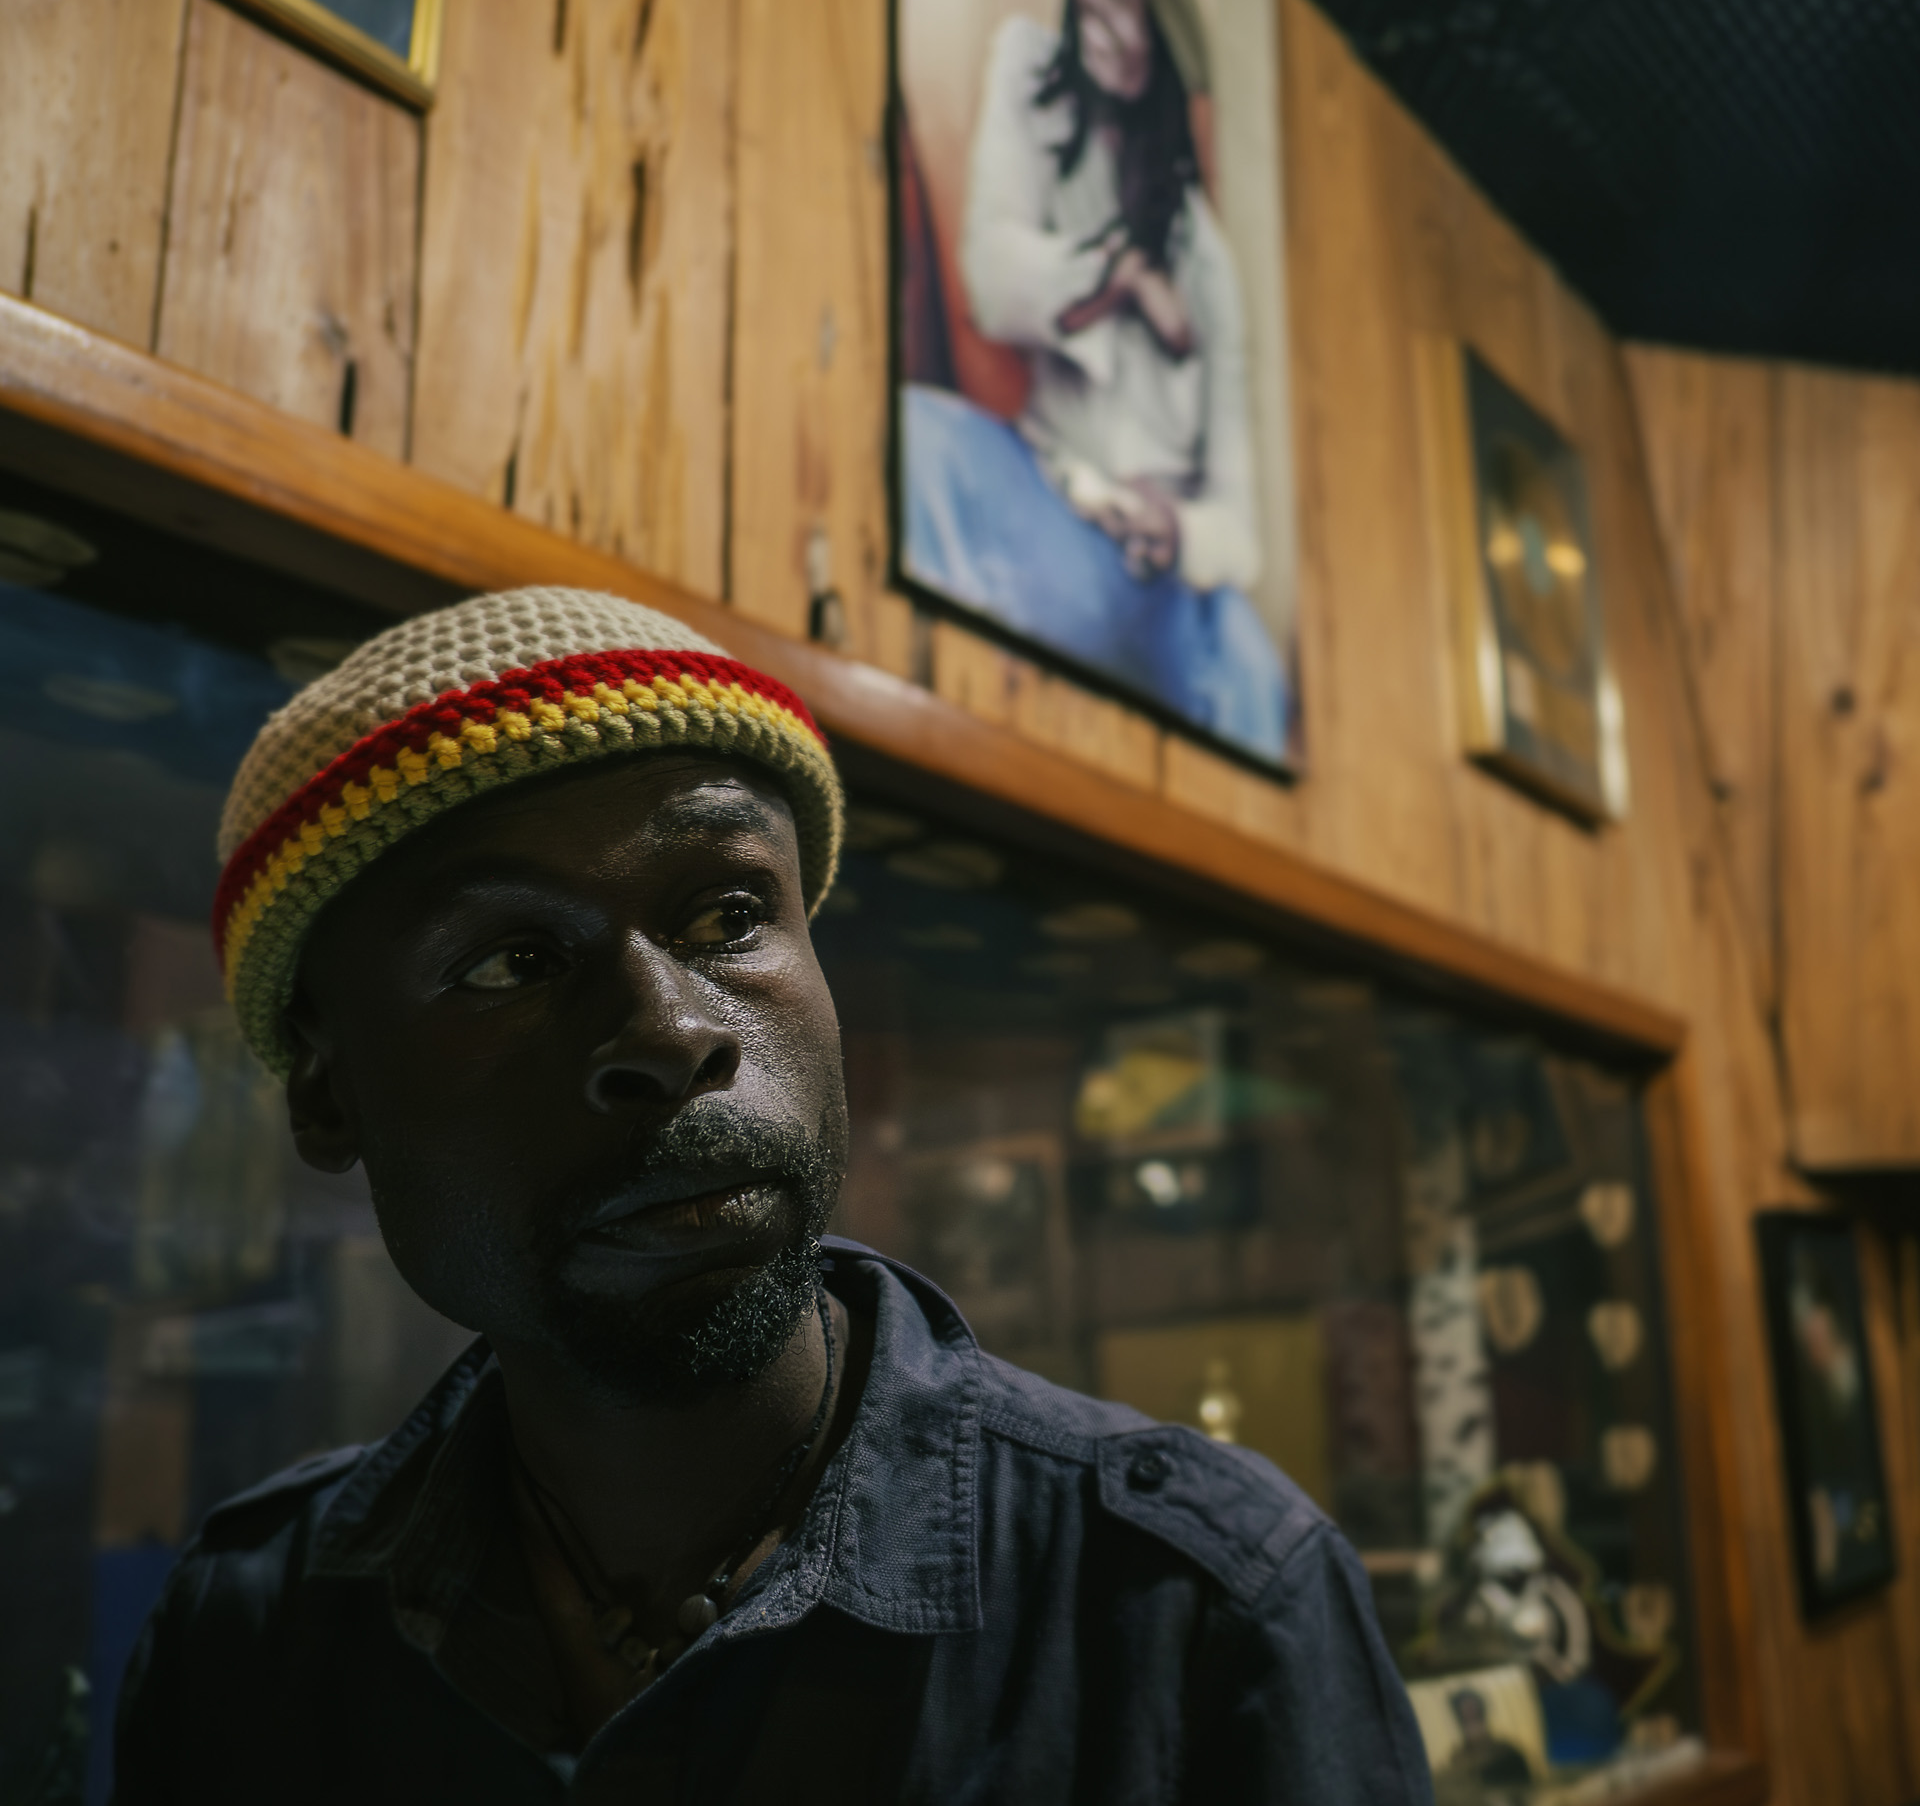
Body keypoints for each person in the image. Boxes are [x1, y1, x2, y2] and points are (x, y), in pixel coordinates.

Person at [111, 587, 1425, 1802]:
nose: (669, 1030)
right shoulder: (250, 1635)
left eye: (729, 916)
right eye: (511, 962)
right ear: (328, 1097)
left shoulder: (1193, 1611)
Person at [903, 0, 1291, 761]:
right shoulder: (1028, 72)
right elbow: (992, 281)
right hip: (1046, 490)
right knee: (916, 437)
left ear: (1165, 31)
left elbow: (1240, 525)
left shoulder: (1209, 263)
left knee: (1249, 666)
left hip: (1148, 572)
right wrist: (1117, 278)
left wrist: (1177, 530)